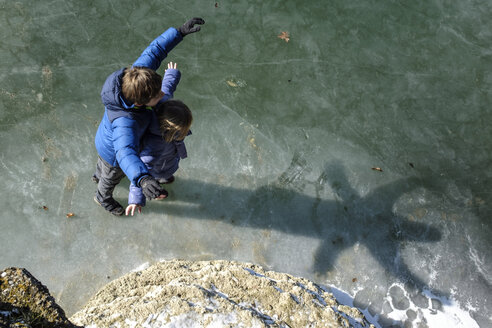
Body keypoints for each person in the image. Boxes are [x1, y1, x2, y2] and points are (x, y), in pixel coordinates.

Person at [93, 18, 204, 216]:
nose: (162, 96)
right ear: (140, 103)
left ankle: (98, 174)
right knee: (110, 175)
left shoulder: (136, 77)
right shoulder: (124, 122)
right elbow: (125, 152)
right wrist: (143, 179)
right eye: (156, 96)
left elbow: (154, 51)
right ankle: (102, 196)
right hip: (113, 153)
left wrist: (178, 32)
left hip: (106, 138)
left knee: (103, 169)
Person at [125, 98, 193, 216]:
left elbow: (168, 85)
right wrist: (135, 199)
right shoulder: (156, 144)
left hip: (169, 161)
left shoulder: (164, 107)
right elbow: (142, 168)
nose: (186, 131)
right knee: (155, 177)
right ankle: (156, 192)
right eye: (184, 130)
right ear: (171, 131)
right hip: (159, 168)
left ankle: (164, 178)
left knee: (167, 173)